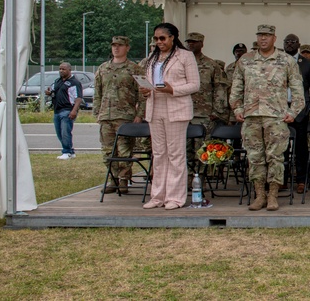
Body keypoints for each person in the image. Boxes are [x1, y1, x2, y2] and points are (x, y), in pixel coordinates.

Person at [229, 24, 304, 211]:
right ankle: (259, 194)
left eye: (267, 36)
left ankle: (272, 195)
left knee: (275, 157)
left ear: (274, 38)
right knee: (255, 157)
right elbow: (236, 87)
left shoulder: (286, 61)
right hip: (251, 116)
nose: (263, 39)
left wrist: (293, 112)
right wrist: (237, 108)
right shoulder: (245, 61)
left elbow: (297, 90)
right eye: (260, 35)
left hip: (276, 117)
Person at [139, 23, 200, 210]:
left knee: (175, 154)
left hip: (176, 108)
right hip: (155, 106)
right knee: (158, 154)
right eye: (156, 39)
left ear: (173, 37)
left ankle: (175, 197)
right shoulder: (152, 57)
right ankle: (157, 196)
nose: (159, 42)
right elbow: (150, 82)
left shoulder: (185, 56)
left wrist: (173, 89)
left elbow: (194, 85)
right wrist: (145, 90)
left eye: (162, 38)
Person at [93, 36, 146, 192]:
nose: (116, 48)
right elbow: (97, 92)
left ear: (127, 48)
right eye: (114, 45)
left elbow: (143, 94)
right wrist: (97, 112)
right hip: (106, 116)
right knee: (108, 150)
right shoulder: (103, 68)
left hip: (125, 116)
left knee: (124, 151)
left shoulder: (135, 69)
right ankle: (113, 179)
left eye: (120, 45)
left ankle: (124, 180)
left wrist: (140, 114)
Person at [283, 34, 310, 195]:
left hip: (300, 111)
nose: (290, 44)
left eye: (293, 42)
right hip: (281, 110)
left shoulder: (307, 64)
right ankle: (281, 180)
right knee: (281, 147)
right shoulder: (278, 61)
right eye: (287, 42)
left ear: (298, 45)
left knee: (300, 148)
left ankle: (301, 180)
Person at [185, 32, 226, 159]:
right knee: (183, 149)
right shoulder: (180, 63)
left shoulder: (211, 65)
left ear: (201, 44)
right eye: (189, 42)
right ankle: (186, 176)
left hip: (204, 114)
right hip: (183, 112)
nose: (191, 44)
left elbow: (220, 88)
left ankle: (201, 177)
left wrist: (217, 110)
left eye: (194, 42)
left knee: (203, 149)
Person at [47, 62, 84, 160]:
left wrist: (74, 111)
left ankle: (66, 151)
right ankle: (70, 151)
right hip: (57, 110)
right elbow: (53, 92)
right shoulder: (58, 81)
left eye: (63, 69)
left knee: (65, 132)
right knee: (59, 132)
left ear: (69, 70)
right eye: (60, 69)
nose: (61, 71)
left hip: (67, 109)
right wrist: (49, 93)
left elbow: (78, 98)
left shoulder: (74, 82)